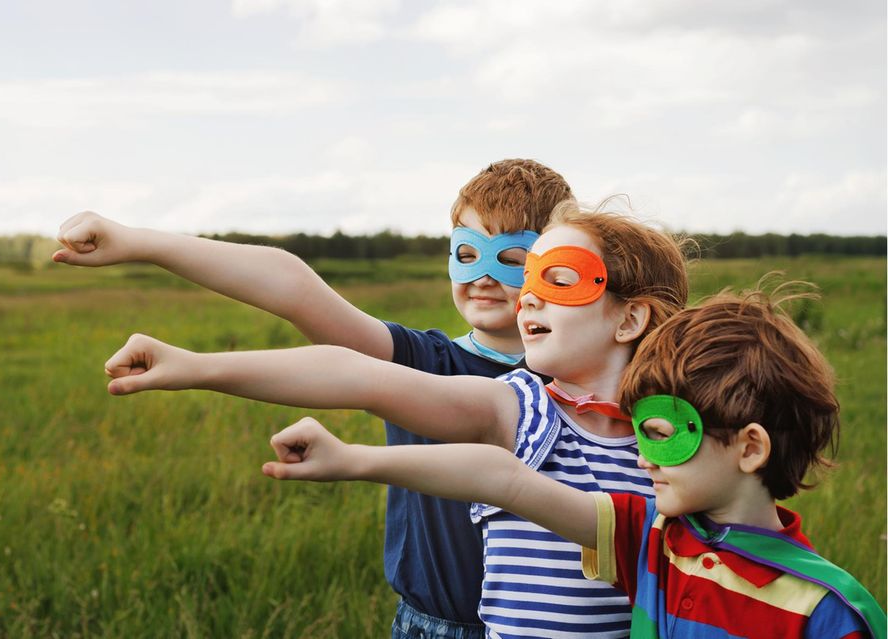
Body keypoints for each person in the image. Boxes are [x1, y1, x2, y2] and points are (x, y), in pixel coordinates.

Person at [99, 205, 690, 637]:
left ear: (630, 318)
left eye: (554, 278)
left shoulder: (682, 440)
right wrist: (196, 365)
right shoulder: (517, 406)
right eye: (528, 278)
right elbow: (354, 372)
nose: (526, 296)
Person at [54, 159, 574, 638]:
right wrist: (140, 243)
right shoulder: (421, 361)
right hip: (429, 625)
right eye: (467, 253)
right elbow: (294, 288)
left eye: (511, 258)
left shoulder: (587, 380)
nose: (483, 276)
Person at [260, 289, 887, 639]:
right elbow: (501, 478)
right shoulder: (651, 541)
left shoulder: (827, 609)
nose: (642, 455)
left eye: (660, 435)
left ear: (750, 448)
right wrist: (355, 458)